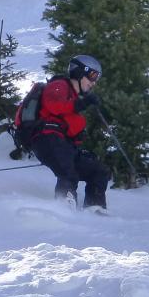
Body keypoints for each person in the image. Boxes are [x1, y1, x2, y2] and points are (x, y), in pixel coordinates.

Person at [31, 54, 112, 211]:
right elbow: (54, 106)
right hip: (47, 139)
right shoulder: (59, 85)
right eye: (92, 76)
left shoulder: (74, 99)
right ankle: (64, 212)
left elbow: (69, 129)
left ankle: (95, 211)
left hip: (63, 146)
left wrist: (79, 147)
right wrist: (81, 104)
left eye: (97, 78)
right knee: (68, 173)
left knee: (98, 171)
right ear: (80, 72)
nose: (94, 82)